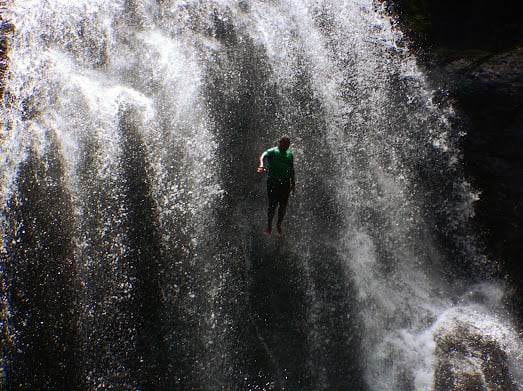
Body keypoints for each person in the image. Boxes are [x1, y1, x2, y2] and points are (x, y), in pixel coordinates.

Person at [257, 136, 295, 235]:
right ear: (280, 143)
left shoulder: (290, 154)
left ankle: (278, 224)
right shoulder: (273, 151)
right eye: (285, 143)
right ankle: (269, 225)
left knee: (283, 206)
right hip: (273, 182)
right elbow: (263, 155)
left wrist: (293, 183)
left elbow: (292, 169)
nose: (287, 146)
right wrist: (261, 165)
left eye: (288, 144)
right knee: (272, 205)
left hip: (285, 184)